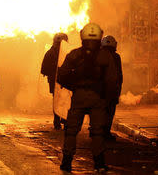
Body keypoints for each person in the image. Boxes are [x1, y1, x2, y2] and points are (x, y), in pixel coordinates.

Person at [58, 23, 116, 172]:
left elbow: (61, 76)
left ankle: (66, 162)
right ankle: (99, 163)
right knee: (97, 131)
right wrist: (107, 98)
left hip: (79, 97)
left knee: (71, 130)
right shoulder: (106, 56)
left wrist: (75, 87)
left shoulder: (74, 54)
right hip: (98, 98)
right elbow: (112, 80)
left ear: (82, 36)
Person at [41, 33, 68, 130]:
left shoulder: (52, 52)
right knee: (62, 100)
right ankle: (60, 120)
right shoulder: (54, 53)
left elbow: (44, 69)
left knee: (59, 100)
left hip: (61, 81)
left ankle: (60, 120)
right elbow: (44, 68)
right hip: (59, 81)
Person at [100, 35, 123, 140]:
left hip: (99, 90)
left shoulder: (97, 55)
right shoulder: (116, 57)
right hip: (112, 89)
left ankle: (97, 131)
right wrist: (118, 89)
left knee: (99, 111)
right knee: (109, 111)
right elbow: (119, 75)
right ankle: (105, 132)